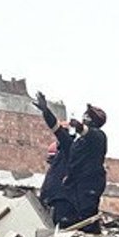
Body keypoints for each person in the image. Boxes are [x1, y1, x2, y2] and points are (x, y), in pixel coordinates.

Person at [56, 103, 109, 228]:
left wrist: (78, 126)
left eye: (88, 116)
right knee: (72, 216)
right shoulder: (79, 142)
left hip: (90, 183)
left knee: (87, 216)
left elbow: (86, 131)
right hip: (76, 183)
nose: (84, 117)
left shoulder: (98, 136)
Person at [33, 92, 76, 226]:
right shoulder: (60, 157)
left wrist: (46, 111)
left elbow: (57, 130)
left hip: (61, 205)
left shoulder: (70, 149)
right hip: (51, 203)